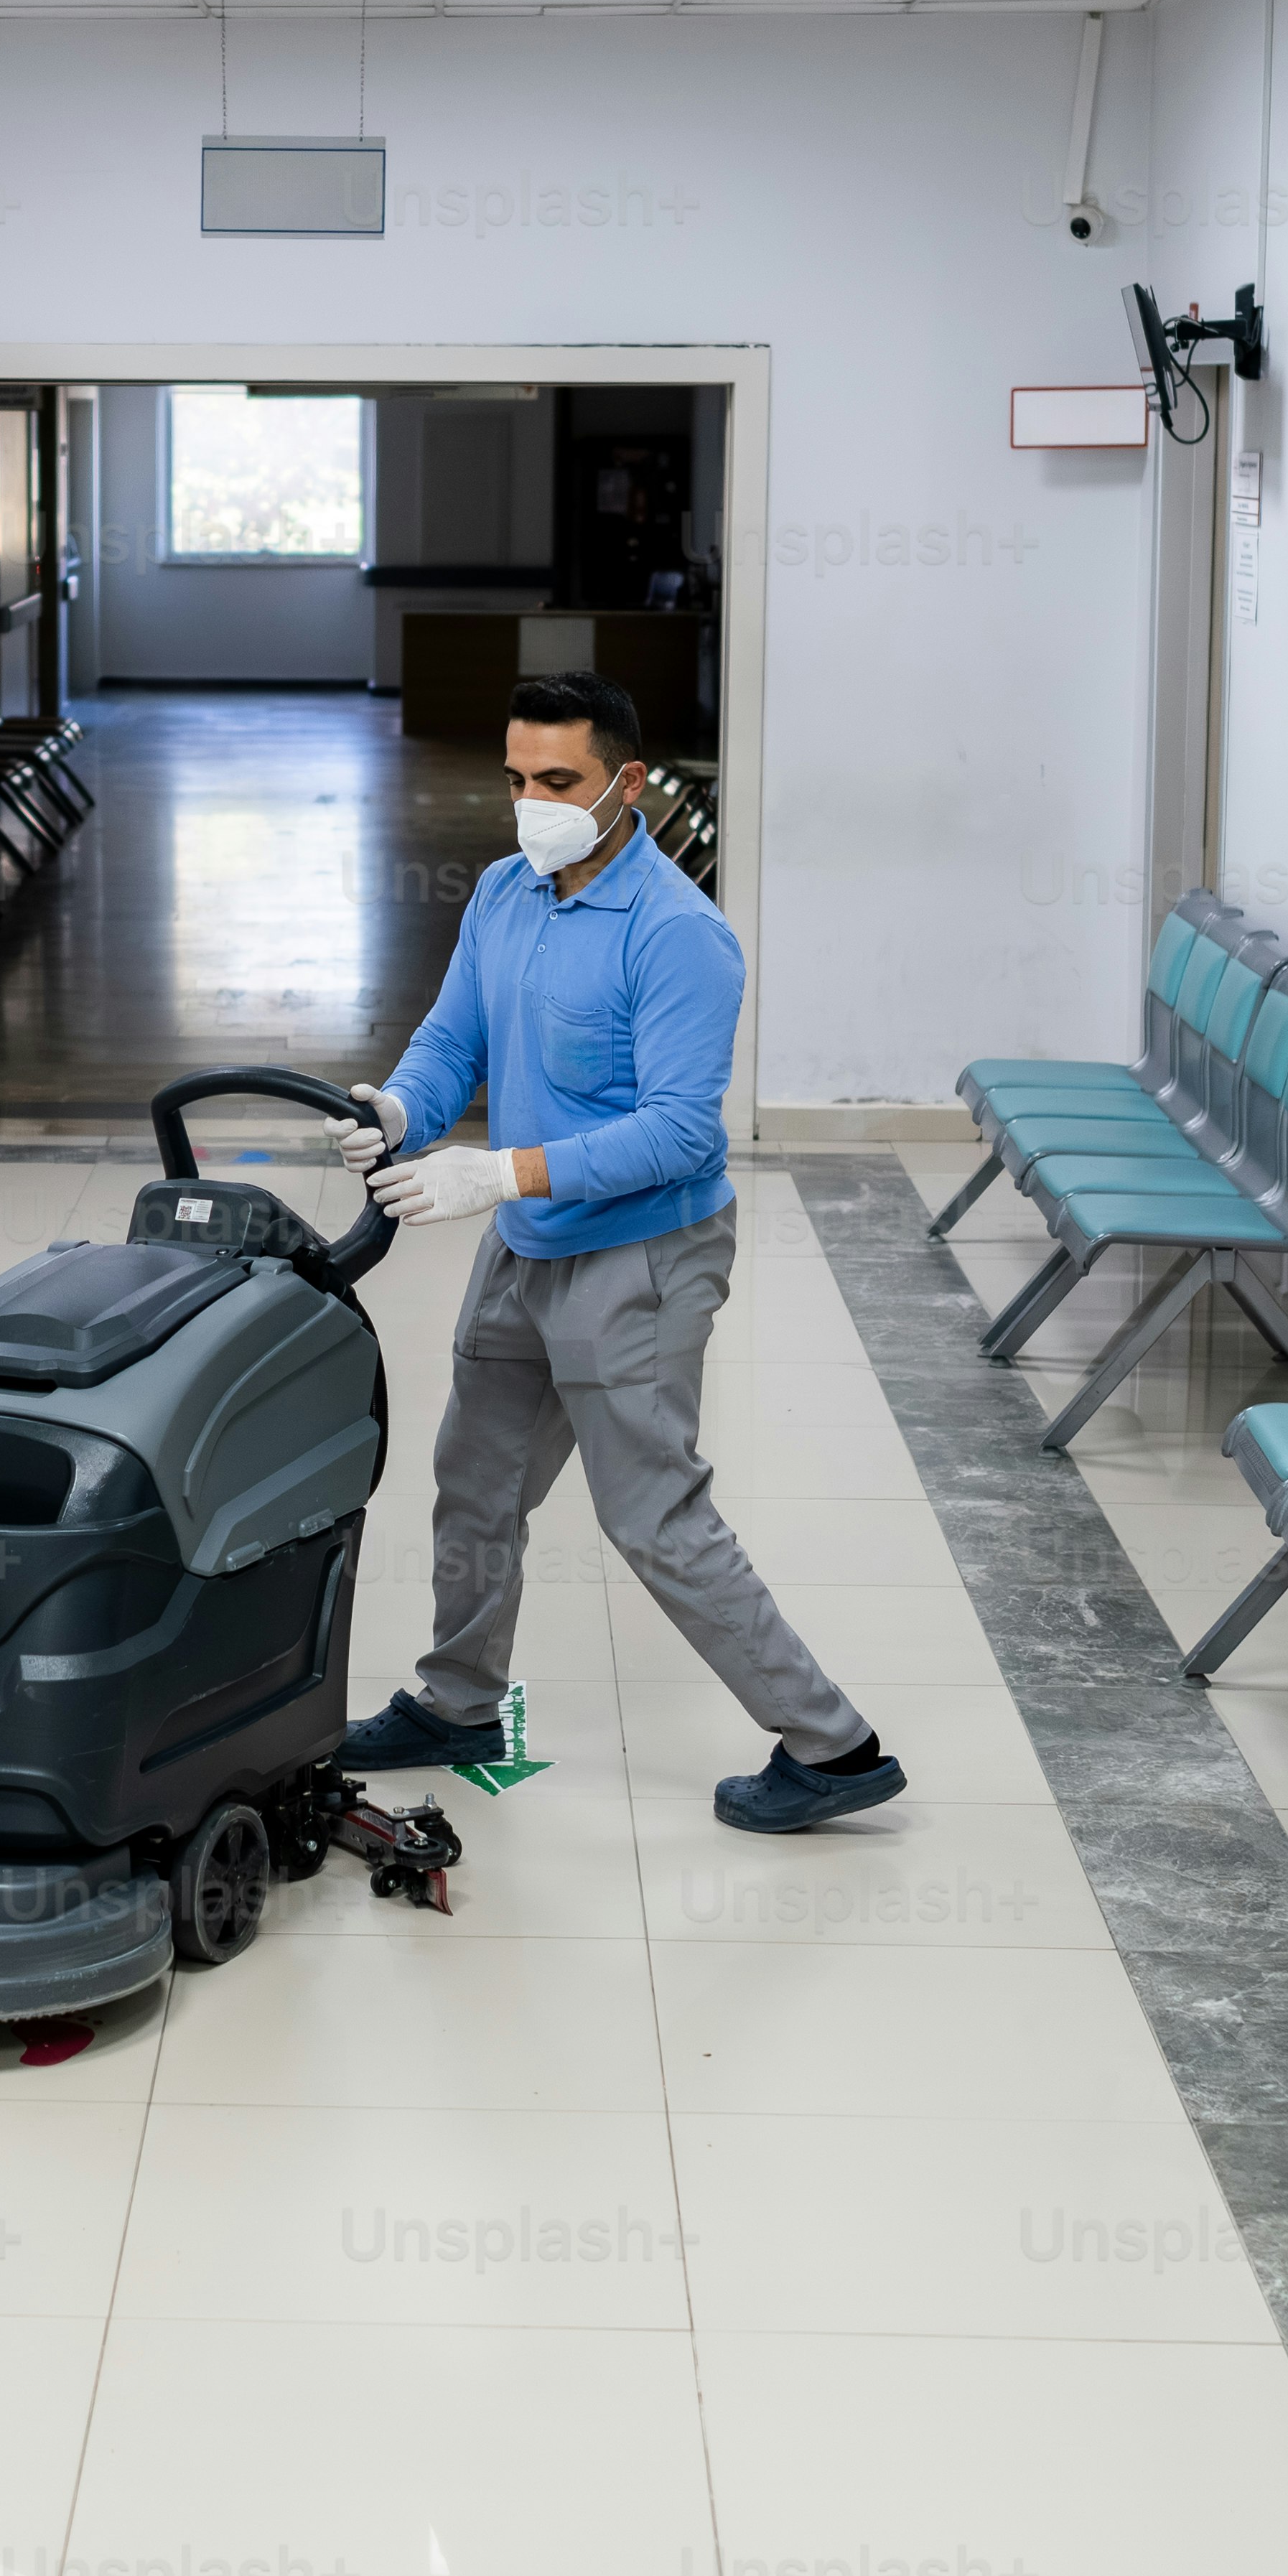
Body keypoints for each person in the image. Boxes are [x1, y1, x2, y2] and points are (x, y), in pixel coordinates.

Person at [328, 675, 900, 1832]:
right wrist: (400, 1107)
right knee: (475, 1484)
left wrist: (502, 1172)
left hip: (639, 1261)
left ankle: (834, 1746)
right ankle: (457, 1702)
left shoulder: (680, 934)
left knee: (653, 1517)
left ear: (626, 783)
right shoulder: (504, 892)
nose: (531, 805)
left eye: (559, 781)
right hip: (526, 1247)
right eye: (517, 780)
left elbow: (682, 1130)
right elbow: (454, 1038)